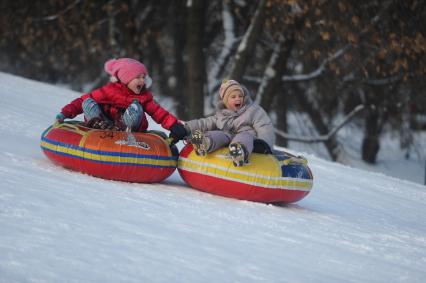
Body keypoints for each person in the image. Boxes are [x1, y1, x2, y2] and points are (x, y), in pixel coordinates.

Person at [54, 58, 187, 141]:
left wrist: (174, 126)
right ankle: (97, 124)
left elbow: (159, 113)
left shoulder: (143, 97)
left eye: (143, 77)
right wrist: (65, 113)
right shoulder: (108, 91)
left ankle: (123, 128)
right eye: (138, 77)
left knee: (136, 107)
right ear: (125, 78)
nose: (142, 80)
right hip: (105, 123)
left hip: (129, 126)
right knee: (88, 102)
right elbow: (80, 101)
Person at [185, 79, 275, 166]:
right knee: (219, 134)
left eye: (240, 96)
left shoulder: (253, 110)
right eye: (233, 97)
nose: (238, 99)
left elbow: (265, 127)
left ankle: (239, 152)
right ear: (226, 101)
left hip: (248, 139)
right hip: (227, 139)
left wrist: (264, 143)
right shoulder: (221, 115)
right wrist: (187, 127)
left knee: (244, 136)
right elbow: (205, 122)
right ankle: (204, 142)